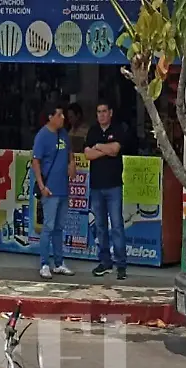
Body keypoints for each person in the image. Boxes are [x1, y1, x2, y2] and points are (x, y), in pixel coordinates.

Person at [84, 101, 129, 280]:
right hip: (96, 187)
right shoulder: (93, 131)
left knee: (117, 226)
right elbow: (88, 154)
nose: (101, 114)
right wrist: (106, 149)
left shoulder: (118, 129)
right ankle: (105, 262)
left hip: (114, 186)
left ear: (110, 113)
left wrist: (98, 147)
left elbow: (116, 150)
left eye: (104, 111)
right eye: (99, 112)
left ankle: (121, 265)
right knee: (100, 227)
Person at [32, 102, 77, 279]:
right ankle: (44, 264)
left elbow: (70, 151)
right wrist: (42, 186)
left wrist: (72, 163)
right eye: (59, 115)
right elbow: (36, 162)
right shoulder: (42, 136)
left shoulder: (63, 134)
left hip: (63, 189)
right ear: (50, 117)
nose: (63, 118)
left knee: (59, 227)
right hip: (50, 190)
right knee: (48, 227)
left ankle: (59, 263)